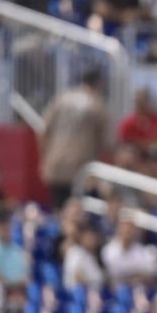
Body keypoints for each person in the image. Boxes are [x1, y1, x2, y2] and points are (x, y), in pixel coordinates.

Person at [38, 69, 109, 209]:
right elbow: (106, 142)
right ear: (99, 84)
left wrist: (44, 159)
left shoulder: (61, 99)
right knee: (78, 210)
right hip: (80, 167)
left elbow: (43, 130)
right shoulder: (96, 104)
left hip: (56, 163)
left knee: (58, 207)